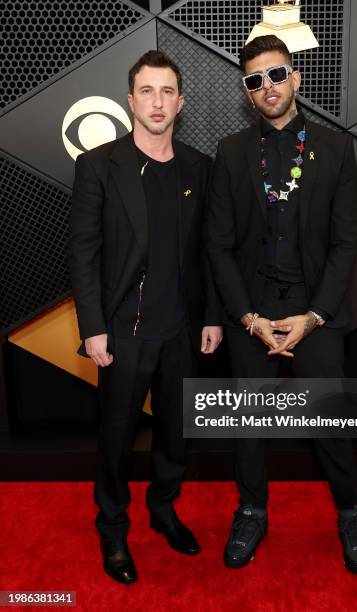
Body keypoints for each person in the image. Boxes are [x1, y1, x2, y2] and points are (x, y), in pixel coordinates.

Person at [207, 35, 357, 575]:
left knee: (330, 424)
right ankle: (252, 510)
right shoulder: (231, 153)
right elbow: (219, 245)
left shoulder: (336, 148)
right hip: (252, 311)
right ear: (246, 92)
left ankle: (351, 510)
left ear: (296, 77)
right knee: (248, 428)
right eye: (254, 80)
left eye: (276, 75)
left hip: (316, 312)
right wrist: (249, 319)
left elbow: (346, 242)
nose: (267, 88)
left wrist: (314, 316)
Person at [69, 50, 223, 584]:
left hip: (181, 328)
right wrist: (92, 325)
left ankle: (163, 509)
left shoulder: (198, 168)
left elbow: (208, 250)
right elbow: (83, 253)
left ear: (180, 102)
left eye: (167, 92)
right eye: (147, 91)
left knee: (175, 437)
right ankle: (112, 528)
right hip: (122, 334)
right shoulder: (98, 166)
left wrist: (212, 316)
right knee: (116, 440)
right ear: (130, 100)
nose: (157, 102)